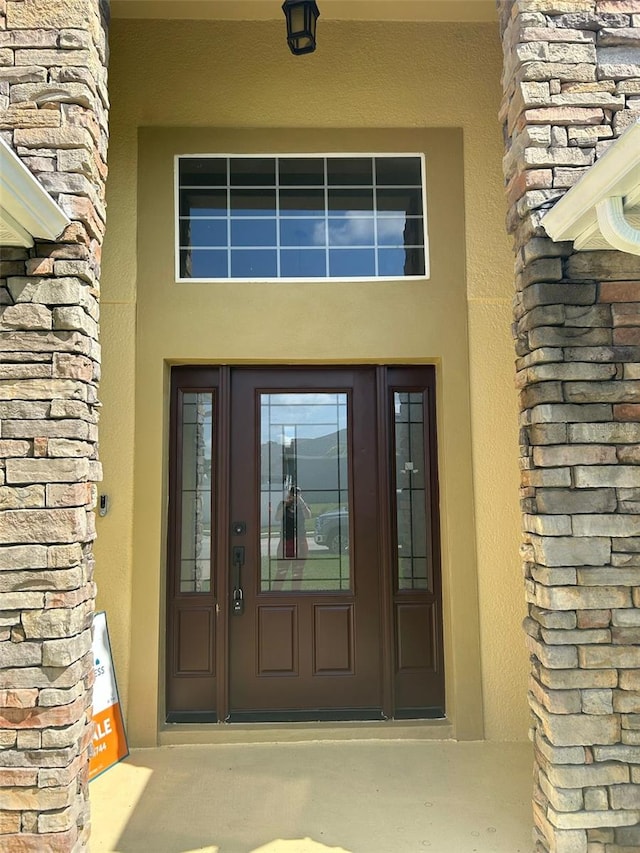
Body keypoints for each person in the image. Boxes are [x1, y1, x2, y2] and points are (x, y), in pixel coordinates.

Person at [274, 486, 311, 590]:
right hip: (286, 540)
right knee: (281, 569)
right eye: (292, 494)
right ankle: (276, 593)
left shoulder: (302, 505)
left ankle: (296, 592)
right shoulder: (283, 504)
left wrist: (301, 502)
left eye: (297, 494)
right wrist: (286, 503)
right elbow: (277, 517)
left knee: (298, 570)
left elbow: (308, 516)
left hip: (300, 539)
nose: (294, 496)